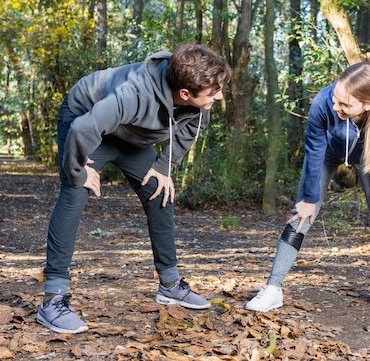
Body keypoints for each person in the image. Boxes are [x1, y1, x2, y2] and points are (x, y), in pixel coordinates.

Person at [37, 44, 232, 334]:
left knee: (160, 192)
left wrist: (165, 165)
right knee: (74, 195)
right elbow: (82, 129)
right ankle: (52, 300)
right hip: (85, 118)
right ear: (184, 94)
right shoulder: (134, 95)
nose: (219, 96)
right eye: (213, 93)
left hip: (130, 135)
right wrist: (78, 170)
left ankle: (169, 284)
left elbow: (193, 127)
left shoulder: (200, 94)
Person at [245, 62, 370, 328]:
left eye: (344, 104)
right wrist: (309, 199)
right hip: (330, 151)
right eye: (336, 98)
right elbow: (314, 150)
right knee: (301, 212)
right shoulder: (324, 100)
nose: (336, 107)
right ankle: (273, 288)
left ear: (368, 104)